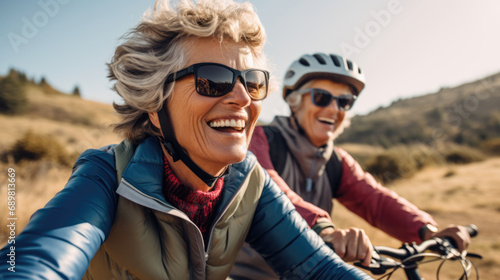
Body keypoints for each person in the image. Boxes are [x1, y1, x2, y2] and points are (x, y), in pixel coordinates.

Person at [0, 2, 375, 279]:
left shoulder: (249, 181)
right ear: (154, 102)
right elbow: (37, 263)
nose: (243, 98)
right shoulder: (107, 175)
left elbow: (319, 268)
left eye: (253, 82)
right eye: (213, 79)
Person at [230, 52, 472, 279]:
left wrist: (427, 230)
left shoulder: (337, 161)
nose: (334, 109)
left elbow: (376, 201)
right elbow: (267, 186)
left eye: (344, 101)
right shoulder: (260, 139)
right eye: (322, 97)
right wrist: (323, 228)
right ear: (294, 102)